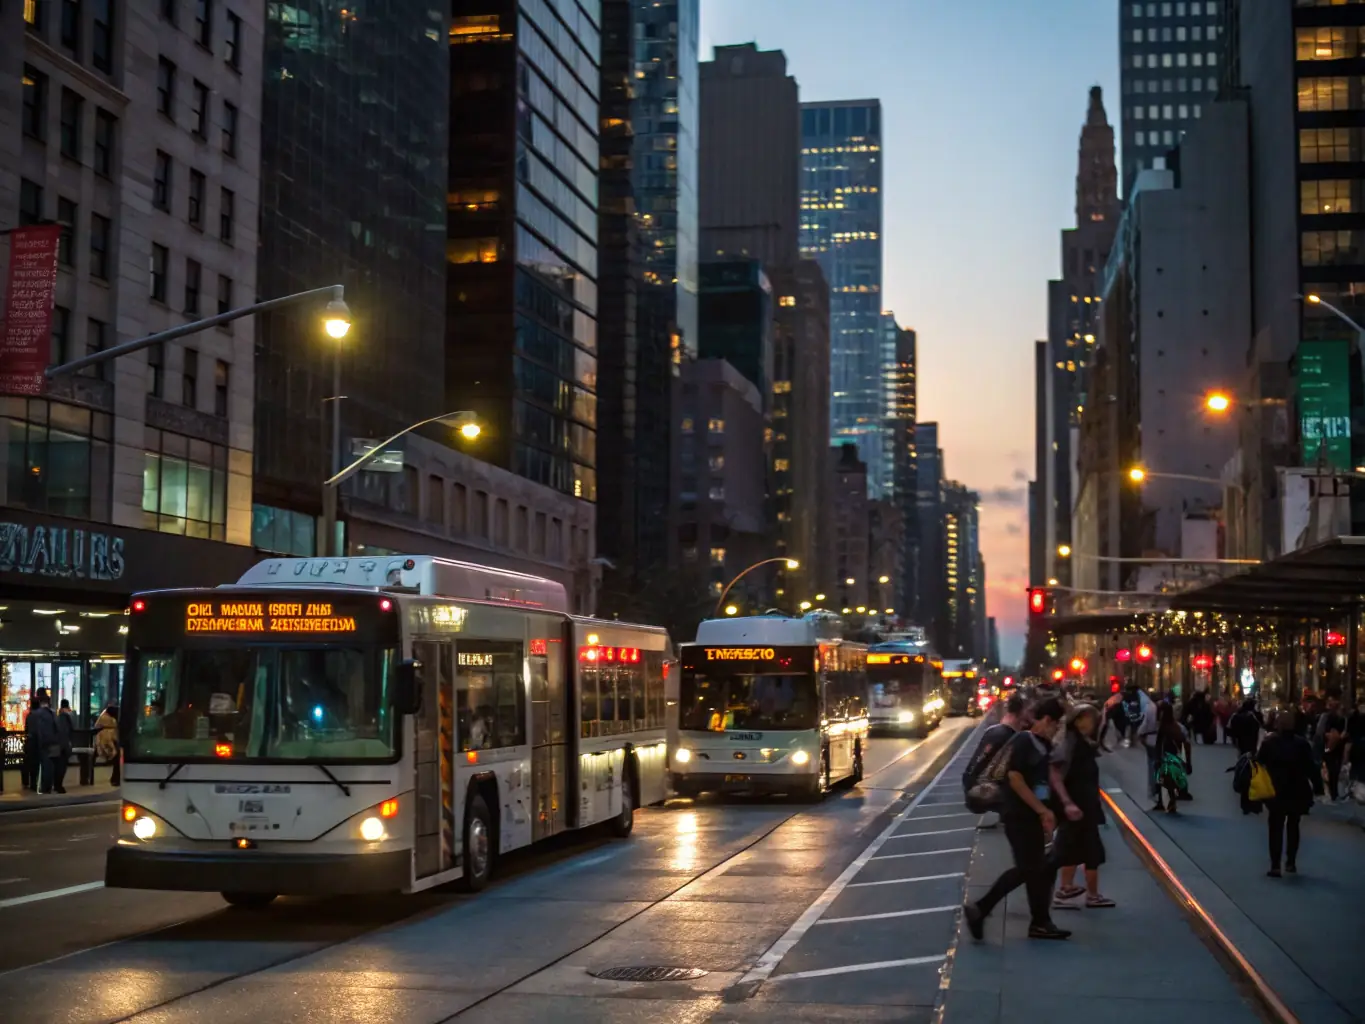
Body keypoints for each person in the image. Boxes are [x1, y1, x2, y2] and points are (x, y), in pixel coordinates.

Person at [963, 698, 1070, 942]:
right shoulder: (1024, 741)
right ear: (1046, 721)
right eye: (1056, 724)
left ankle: (1040, 922)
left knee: (1036, 869)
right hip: (1019, 814)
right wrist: (1042, 810)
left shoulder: (1043, 744)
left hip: (1030, 814)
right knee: (1029, 868)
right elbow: (1015, 778)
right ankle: (982, 908)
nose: (1056, 730)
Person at [1050, 703, 1114, 910]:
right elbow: (1056, 773)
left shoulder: (1081, 742)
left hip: (1084, 806)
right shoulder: (1071, 743)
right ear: (1077, 720)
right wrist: (1067, 803)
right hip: (1077, 806)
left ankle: (1069, 890)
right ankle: (1072, 892)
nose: (1093, 723)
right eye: (1089, 718)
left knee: (1079, 850)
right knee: (1083, 850)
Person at [1256, 709, 1315, 877]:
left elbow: (1259, 763)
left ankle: (1275, 864)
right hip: (1297, 789)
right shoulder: (1302, 744)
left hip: (1276, 789)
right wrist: (1317, 787)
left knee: (1275, 826)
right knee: (1293, 825)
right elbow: (1311, 767)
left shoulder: (1269, 743)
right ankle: (1291, 861)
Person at [1152, 701, 1191, 814]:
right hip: (1172, 756)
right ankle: (1167, 802)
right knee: (1167, 780)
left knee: (1166, 780)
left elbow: (1160, 743)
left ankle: (1169, 802)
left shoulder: (1167, 727)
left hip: (1167, 757)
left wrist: (1158, 757)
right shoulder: (1175, 726)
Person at [26, 693, 60, 795]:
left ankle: (37, 785)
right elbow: (57, 728)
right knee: (49, 765)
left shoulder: (35, 714)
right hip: (52, 742)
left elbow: (35, 729)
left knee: (37, 764)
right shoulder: (52, 713)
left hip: (39, 742)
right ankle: (47, 786)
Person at [1315, 697, 1347, 802]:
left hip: (1330, 747)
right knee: (1333, 769)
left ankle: (1332, 791)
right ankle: (1333, 791)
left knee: (1332, 769)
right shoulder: (1336, 718)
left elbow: (1321, 732)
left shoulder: (1329, 717)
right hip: (1334, 746)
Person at [95, 704, 120, 787]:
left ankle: (115, 779)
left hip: (108, 741)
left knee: (116, 760)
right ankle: (115, 779)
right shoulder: (111, 722)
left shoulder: (102, 719)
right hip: (111, 741)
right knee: (117, 759)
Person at [53, 698, 75, 794]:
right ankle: (58, 785)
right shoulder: (66, 718)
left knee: (57, 766)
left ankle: (56, 784)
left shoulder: (57, 717)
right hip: (63, 746)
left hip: (58, 745)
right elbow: (68, 732)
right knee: (62, 766)